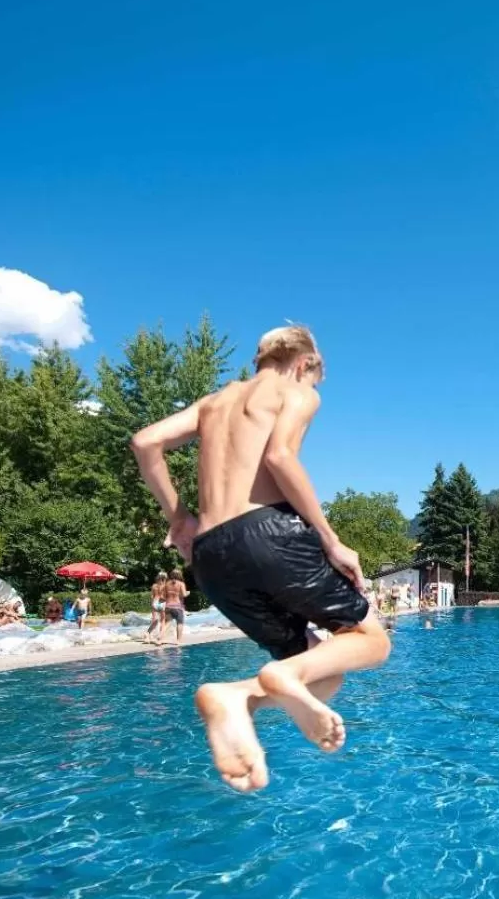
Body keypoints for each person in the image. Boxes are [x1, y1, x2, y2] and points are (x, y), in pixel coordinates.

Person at [129, 324, 390, 792]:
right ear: (304, 363)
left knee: (319, 671)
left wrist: (179, 518)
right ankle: (273, 678)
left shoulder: (214, 403)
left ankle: (235, 698)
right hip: (269, 532)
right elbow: (281, 458)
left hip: (209, 555)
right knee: (372, 640)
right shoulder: (294, 390)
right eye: (314, 378)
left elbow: (146, 442)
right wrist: (330, 538)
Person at [164, 568, 188, 645]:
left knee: (167, 623)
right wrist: (188, 593)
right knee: (179, 623)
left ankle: (160, 637)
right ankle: (178, 640)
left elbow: (164, 595)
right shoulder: (181, 584)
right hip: (178, 606)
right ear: (180, 575)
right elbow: (184, 595)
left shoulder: (167, 583)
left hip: (168, 606)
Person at [148, 570, 169, 645]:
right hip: (162, 603)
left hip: (155, 602)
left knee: (154, 621)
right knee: (163, 621)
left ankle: (147, 635)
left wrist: (152, 605)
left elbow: (152, 596)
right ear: (165, 578)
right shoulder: (166, 586)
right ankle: (160, 638)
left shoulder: (154, 586)